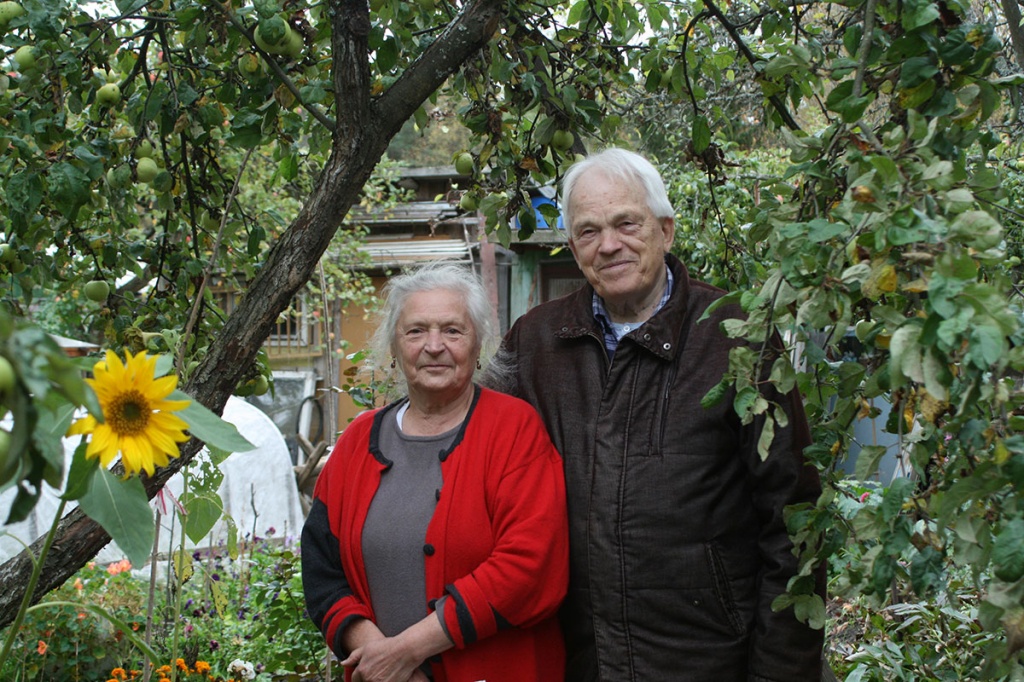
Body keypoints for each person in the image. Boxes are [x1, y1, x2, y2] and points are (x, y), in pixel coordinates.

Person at [496, 148, 825, 681]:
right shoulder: (535, 343)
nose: (609, 245)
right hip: (579, 662)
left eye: (627, 223)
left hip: (711, 660)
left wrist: (780, 674)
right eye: (587, 231)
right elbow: (469, 458)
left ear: (666, 230)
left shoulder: (735, 336)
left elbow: (794, 521)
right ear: (572, 245)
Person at [301, 263, 569, 682]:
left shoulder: (515, 429)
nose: (434, 345)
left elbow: (530, 567)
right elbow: (322, 567)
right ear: (393, 346)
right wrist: (379, 658)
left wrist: (407, 651)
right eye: (416, 331)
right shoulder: (357, 441)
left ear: (478, 344)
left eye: (452, 330)